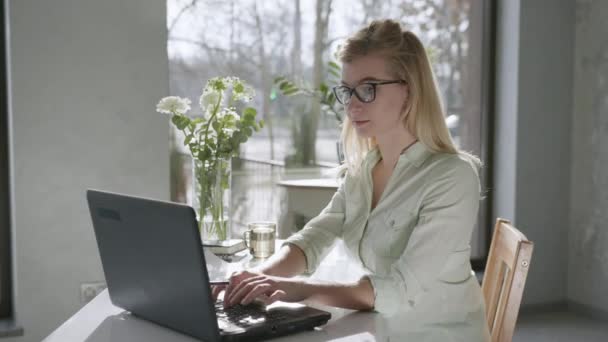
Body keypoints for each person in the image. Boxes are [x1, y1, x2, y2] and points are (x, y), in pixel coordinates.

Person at [213, 19, 490, 340]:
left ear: (409, 90)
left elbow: (399, 290)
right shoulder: (364, 169)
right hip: (380, 328)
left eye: (368, 88)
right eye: (347, 90)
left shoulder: (452, 176)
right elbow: (314, 238)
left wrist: (295, 289)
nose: (352, 104)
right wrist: (254, 279)